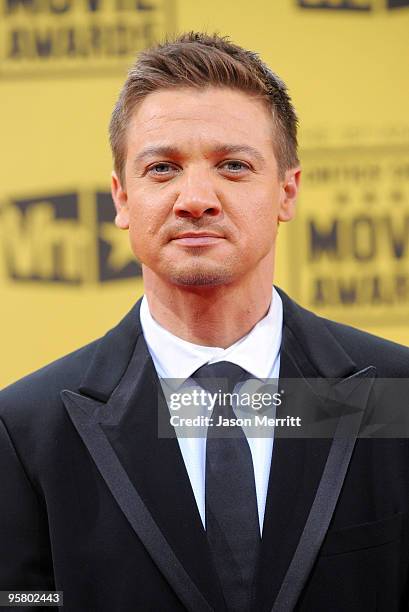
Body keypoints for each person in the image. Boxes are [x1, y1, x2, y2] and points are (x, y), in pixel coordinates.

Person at [0, 32, 408, 612]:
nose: (196, 198)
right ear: (121, 198)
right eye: (163, 167)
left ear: (287, 191)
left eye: (233, 165)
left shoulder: (395, 397)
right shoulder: (27, 430)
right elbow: (23, 601)